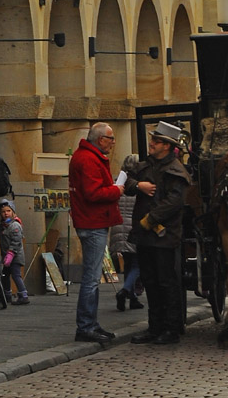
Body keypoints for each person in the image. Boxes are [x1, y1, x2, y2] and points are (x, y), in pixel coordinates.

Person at [126, 121, 190, 345]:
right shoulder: (146, 166)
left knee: (166, 282)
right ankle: (155, 327)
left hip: (165, 236)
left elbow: (175, 201)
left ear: (167, 146)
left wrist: (151, 219)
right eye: (152, 140)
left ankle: (171, 329)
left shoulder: (175, 170)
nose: (151, 143)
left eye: (156, 141)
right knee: (150, 282)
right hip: (145, 236)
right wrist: (138, 186)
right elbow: (126, 181)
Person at [67, 122, 123, 343]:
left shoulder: (87, 156)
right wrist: (116, 190)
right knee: (91, 278)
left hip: (93, 221)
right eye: (111, 138)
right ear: (101, 140)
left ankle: (91, 323)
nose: (113, 143)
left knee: (93, 276)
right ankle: (86, 326)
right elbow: (93, 193)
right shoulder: (88, 159)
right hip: (92, 223)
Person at [109, 154, 144, 312]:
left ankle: (133, 298)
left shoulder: (118, 181)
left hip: (118, 225)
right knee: (137, 263)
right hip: (133, 227)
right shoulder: (137, 185)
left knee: (129, 263)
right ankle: (124, 292)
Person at [0, 200, 28, 305]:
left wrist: (11, 253)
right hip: (6, 256)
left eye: (8, 211)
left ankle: (23, 295)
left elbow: (16, 241)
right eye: (3, 212)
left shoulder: (15, 225)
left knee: (16, 275)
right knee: (5, 275)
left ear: (13, 211)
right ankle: (7, 294)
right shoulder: (5, 224)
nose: (6, 213)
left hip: (15, 256)